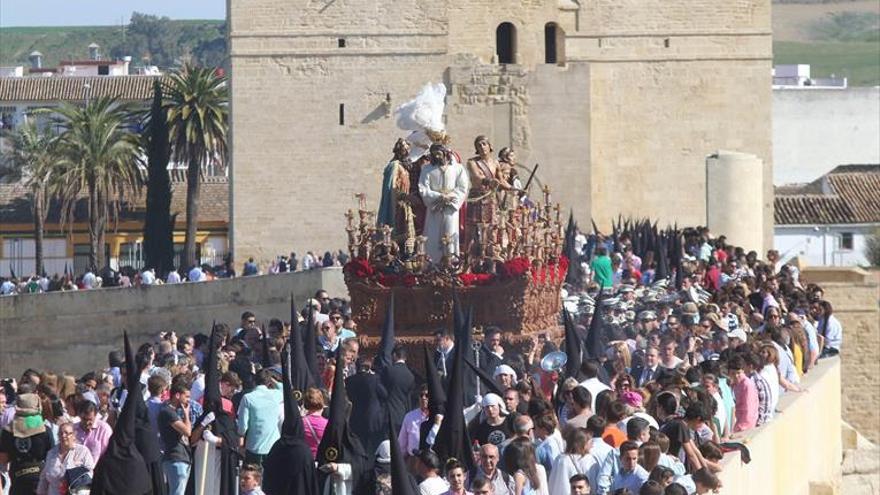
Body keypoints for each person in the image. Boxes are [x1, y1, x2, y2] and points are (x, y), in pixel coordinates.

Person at [418, 143, 469, 263]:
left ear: (445, 152)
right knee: (432, 234)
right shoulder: (427, 169)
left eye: (439, 153)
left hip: (450, 207)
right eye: (434, 153)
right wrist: (439, 197)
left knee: (450, 232)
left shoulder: (458, 168)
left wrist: (450, 197)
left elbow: (462, 187)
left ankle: (451, 262)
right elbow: (423, 188)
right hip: (435, 207)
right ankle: (432, 262)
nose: (437, 156)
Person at [0, 393, 54, 495]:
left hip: (17, 476)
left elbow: (3, 459)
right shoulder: (45, 430)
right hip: (40, 476)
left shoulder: (7, 431)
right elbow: (52, 457)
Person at [236, 369, 282, 467]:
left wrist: (241, 442)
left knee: (253, 478)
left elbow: (243, 426)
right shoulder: (276, 395)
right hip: (273, 446)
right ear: (268, 382)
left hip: (254, 446)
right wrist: (274, 381)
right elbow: (284, 389)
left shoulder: (248, 398)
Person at [36, 421, 95, 495]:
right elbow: (44, 478)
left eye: (67, 433)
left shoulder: (83, 451)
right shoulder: (51, 453)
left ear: (73, 435)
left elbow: (90, 472)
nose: (63, 435)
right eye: (61, 433)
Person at [157, 380, 192, 495]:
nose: (188, 400)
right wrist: (186, 414)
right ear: (177, 395)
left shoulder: (174, 412)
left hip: (180, 458)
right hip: (176, 458)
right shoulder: (168, 412)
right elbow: (187, 431)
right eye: (186, 396)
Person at [548, 427, 599, 495]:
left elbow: (553, 483)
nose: (592, 444)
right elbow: (593, 484)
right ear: (582, 443)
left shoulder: (560, 459)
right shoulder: (590, 460)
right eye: (590, 441)